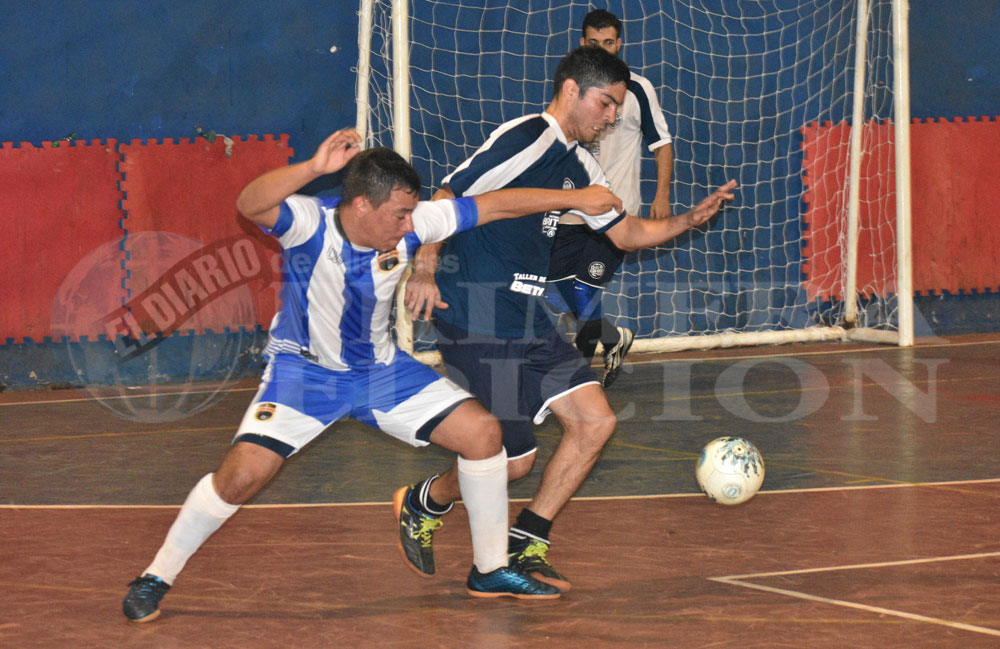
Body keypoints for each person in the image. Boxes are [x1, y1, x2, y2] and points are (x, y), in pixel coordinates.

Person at [121, 128, 627, 622]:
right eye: (400, 213)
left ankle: (490, 569)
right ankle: (156, 576)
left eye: (414, 212)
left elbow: (496, 204)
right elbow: (249, 204)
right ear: (361, 205)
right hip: (306, 375)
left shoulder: (413, 224)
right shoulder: (308, 221)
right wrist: (314, 169)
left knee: (483, 434)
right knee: (241, 476)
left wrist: (578, 197)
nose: (411, 224)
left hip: (380, 371)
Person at [400, 46, 736, 592]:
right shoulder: (528, 136)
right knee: (512, 462)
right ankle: (425, 502)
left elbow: (625, 234)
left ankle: (527, 543)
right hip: (476, 309)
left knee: (594, 422)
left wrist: (689, 219)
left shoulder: (582, 166)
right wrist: (426, 266)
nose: (610, 118)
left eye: (618, 109)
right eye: (606, 104)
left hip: (526, 314)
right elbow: (448, 194)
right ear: (572, 90)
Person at [549, 8, 676, 387]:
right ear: (581, 43)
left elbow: (662, 143)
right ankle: (613, 338)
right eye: (594, 43)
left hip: (615, 214)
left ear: (620, 44)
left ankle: (571, 385)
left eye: (609, 43)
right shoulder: (573, 88)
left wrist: (662, 195)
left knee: (586, 289)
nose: (602, 49)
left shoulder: (637, 89)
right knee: (560, 289)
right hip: (573, 210)